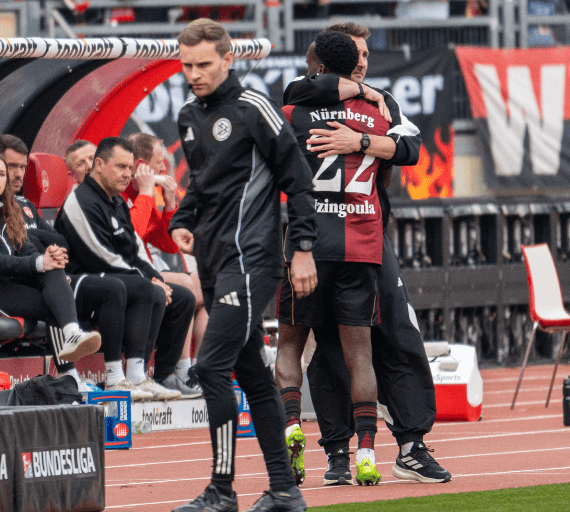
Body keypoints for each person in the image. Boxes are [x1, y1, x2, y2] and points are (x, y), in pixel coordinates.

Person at [282, 21, 452, 485]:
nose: (362, 63)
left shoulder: (380, 101)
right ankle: (338, 452)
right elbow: (301, 89)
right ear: (326, 62)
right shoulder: (309, 93)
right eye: (355, 54)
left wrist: (358, 141)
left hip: (366, 236)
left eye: (367, 56)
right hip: (335, 237)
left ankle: (411, 445)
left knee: (398, 331)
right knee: (330, 347)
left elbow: (412, 147)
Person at [168, 18, 317, 512]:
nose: (193, 74)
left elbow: (298, 179)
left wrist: (302, 248)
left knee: (211, 368)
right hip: (213, 263)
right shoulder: (188, 116)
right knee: (252, 374)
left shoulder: (254, 108)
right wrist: (182, 220)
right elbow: (201, 184)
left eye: (203, 64)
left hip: (251, 260)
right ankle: (284, 491)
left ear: (228, 59)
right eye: (186, 65)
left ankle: (222, 489)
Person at [276, 30, 391, 487]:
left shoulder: (292, 114)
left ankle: (290, 427)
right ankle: (367, 452)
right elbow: (396, 162)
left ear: (320, 66)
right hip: (360, 246)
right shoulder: (379, 114)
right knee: (359, 358)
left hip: (308, 248)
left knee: (289, 347)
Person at [0, 134, 153, 400]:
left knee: (143, 288)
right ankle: (81, 376)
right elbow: (6, 247)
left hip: (42, 275)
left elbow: (59, 242)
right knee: (102, 288)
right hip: (8, 282)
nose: (18, 174)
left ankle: (130, 375)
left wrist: (38, 245)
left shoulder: (25, 205)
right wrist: (40, 250)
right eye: (11, 167)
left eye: (22, 167)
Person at [55, 136, 195, 401]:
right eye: (121, 167)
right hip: (78, 282)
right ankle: (117, 377)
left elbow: (134, 249)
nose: (128, 174)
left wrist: (155, 278)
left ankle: (155, 375)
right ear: (99, 165)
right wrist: (147, 281)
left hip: (112, 278)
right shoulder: (80, 200)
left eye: (130, 168)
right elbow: (100, 255)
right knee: (138, 287)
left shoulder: (117, 202)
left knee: (182, 297)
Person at [0, 151, 101, 367]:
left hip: (7, 281)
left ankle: (72, 335)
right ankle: (68, 374)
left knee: (52, 271)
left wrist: (47, 259)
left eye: (1, 174)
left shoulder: (9, 211)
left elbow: (26, 249)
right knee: (52, 303)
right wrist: (39, 262)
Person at [125, 132, 206, 395]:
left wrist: (170, 204)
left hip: (144, 271)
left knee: (205, 287)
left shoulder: (143, 194)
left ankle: (198, 370)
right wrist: (146, 192)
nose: (164, 169)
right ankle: (180, 371)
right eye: (160, 163)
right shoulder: (125, 193)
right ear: (142, 166)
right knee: (185, 285)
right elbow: (131, 236)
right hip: (127, 273)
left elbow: (168, 244)